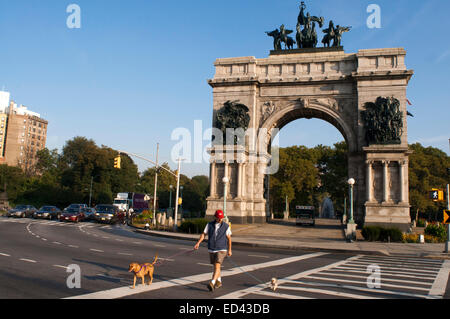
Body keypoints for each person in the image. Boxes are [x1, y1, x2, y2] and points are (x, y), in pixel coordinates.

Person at [194, 210, 232, 292]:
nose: (220, 219)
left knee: (217, 265)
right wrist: (198, 243)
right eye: (219, 218)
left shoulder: (226, 226)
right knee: (215, 266)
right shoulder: (209, 225)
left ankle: (212, 282)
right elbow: (204, 234)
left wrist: (229, 250)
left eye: (221, 218)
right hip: (211, 248)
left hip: (221, 249)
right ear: (215, 217)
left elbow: (229, 239)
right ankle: (219, 281)